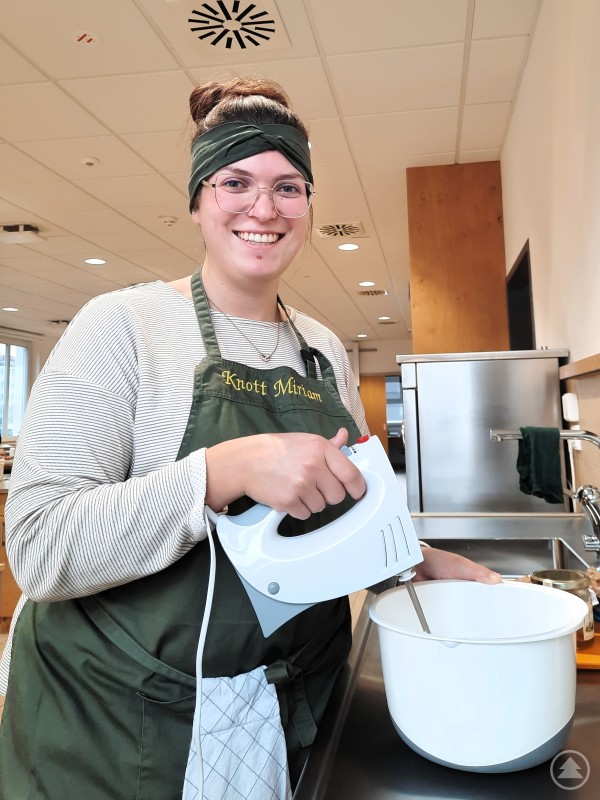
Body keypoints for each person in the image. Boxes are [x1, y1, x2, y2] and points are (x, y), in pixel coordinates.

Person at [0, 76, 501, 799]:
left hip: (287, 702)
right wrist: (221, 469)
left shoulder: (321, 348)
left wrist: (410, 560)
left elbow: (339, 514)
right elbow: (42, 548)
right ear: (199, 201)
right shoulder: (124, 328)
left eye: (289, 186)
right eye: (236, 181)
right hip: (119, 719)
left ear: (307, 205)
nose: (264, 208)